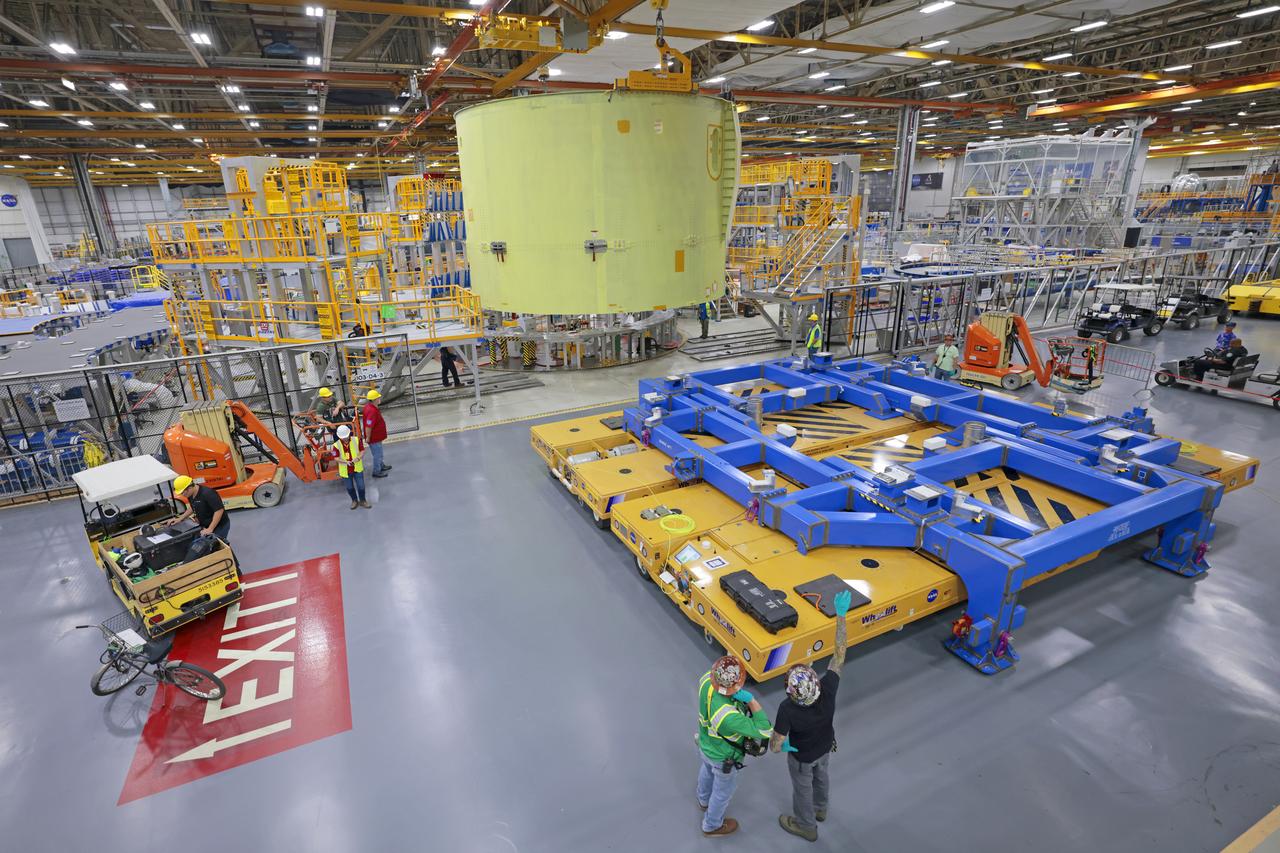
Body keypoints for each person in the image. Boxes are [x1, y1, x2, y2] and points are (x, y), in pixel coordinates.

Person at [770, 590, 852, 842]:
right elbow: (839, 653)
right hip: (825, 747)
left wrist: (779, 743)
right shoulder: (828, 688)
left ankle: (806, 825)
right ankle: (821, 809)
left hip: (802, 757)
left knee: (802, 788)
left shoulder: (788, 709)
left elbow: (775, 746)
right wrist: (840, 616)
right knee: (822, 777)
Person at [696, 655, 774, 837]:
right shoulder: (728, 717)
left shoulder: (706, 679)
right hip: (723, 757)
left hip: (705, 744)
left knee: (706, 771)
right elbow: (765, 731)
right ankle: (712, 825)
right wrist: (751, 701)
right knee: (722, 793)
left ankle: (702, 800)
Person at [171, 474, 230, 542]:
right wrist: (180, 518)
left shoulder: (208, 493)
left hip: (219, 525)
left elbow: (219, 510)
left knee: (217, 545)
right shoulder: (190, 494)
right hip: (206, 525)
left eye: (182, 493)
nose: (183, 495)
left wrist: (210, 529)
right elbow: (193, 506)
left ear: (189, 488)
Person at [334, 424, 371, 509]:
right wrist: (345, 462)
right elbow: (336, 458)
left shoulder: (356, 440)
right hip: (345, 471)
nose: (345, 438)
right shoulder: (336, 445)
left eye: (346, 436)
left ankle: (363, 501)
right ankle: (354, 500)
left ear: (349, 433)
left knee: (361, 486)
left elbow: (362, 451)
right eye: (343, 437)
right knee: (349, 487)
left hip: (357, 468)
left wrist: (358, 458)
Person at [362, 389, 390, 478]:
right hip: (374, 438)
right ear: (375, 399)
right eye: (378, 397)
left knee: (379, 453)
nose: (379, 399)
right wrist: (368, 438)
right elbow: (368, 426)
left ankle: (381, 466)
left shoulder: (370, 407)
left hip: (377, 437)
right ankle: (376, 471)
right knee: (377, 455)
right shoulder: (371, 411)